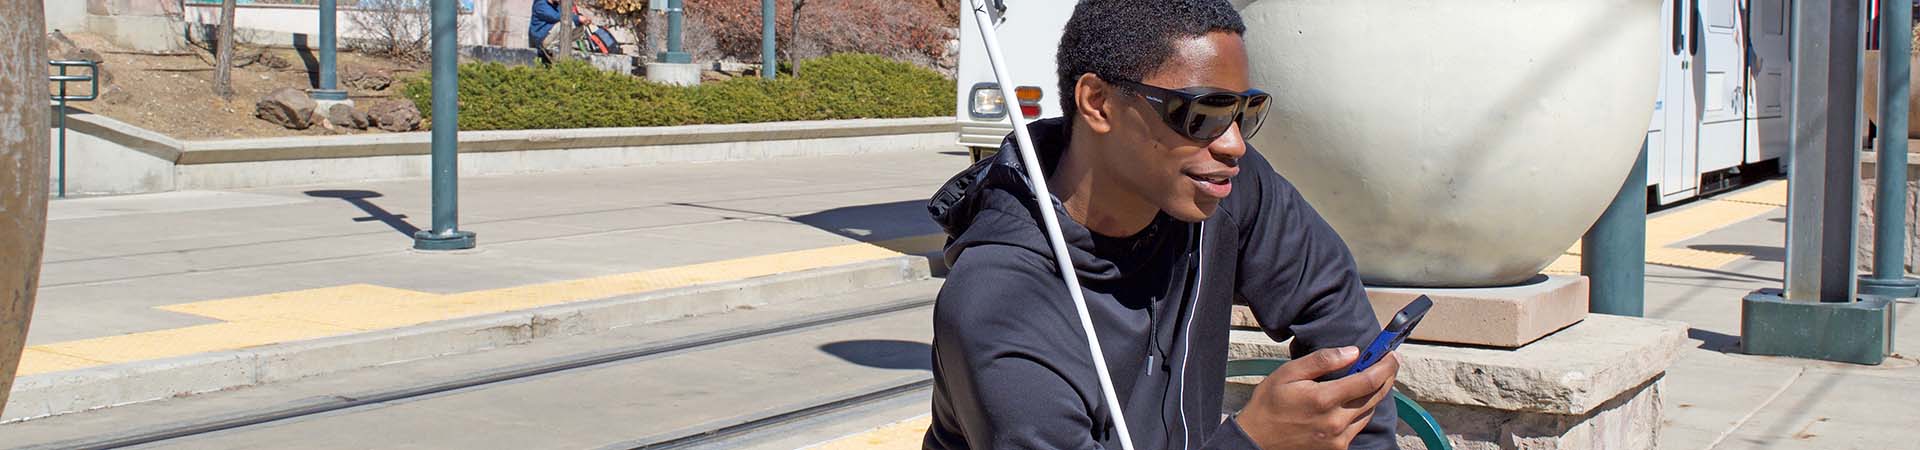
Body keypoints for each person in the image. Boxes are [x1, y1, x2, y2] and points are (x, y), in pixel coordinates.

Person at [922, 1, 1399, 449]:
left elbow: (1339, 320)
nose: (1233, 143)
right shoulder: (999, 305)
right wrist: (1254, 440)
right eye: (1202, 113)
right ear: (1098, 103)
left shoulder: (1221, 187)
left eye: (1244, 111)